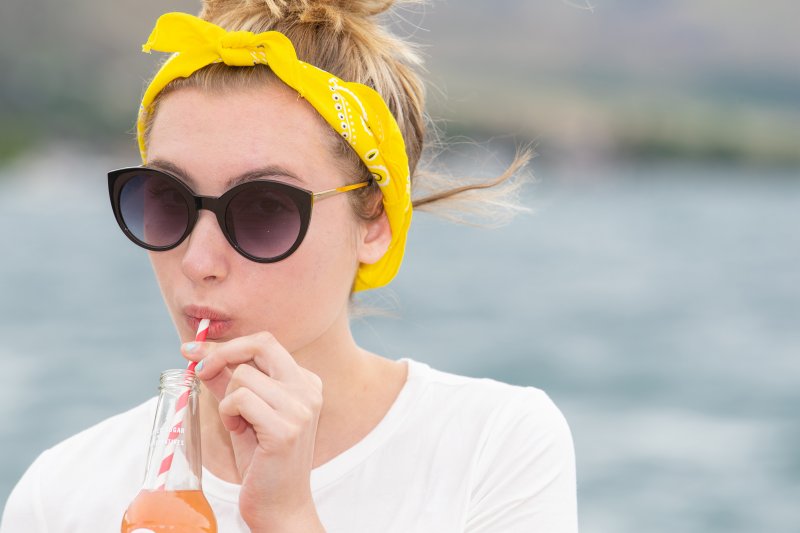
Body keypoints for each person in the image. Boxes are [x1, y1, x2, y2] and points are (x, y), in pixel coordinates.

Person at [1, 1, 577, 531]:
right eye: (167, 199)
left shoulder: (494, 446)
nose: (199, 262)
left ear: (373, 221)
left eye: (264, 210)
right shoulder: (60, 494)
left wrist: (287, 516)